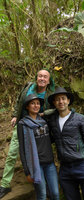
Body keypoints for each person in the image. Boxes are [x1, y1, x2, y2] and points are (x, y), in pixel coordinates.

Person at [0, 69, 55, 199]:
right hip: (21, 125)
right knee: (12, 153)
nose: (42, 78)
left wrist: (43, 114)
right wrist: (14, 115)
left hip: (38, 129)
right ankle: (5, 184)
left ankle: (44, 183)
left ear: (48, 80)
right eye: (40, 76)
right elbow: (19, 101)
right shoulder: (29, 86)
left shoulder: (50, 93)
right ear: (36, 77)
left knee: (39, 155)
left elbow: (56, 108)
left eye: (45, 77)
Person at [46, 87, 84, 200]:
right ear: (54, 103)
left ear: (68, 101)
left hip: (83, 165)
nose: (61, 102)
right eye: (57, 100)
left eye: (63, 98)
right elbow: (48, 139)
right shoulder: (52, 121)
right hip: (65, 168)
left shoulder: (80, 119)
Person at [17, 94, 59, 200]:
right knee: (42, 195)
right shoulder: (22, 124)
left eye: (38, 103)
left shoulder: (44, 121)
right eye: (32, 103)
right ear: (27, 106)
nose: (36, 106)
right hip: (36, 165)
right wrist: (27, 171)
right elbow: (22, 149)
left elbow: (51, 138)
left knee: (55, 193)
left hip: (49, 163)